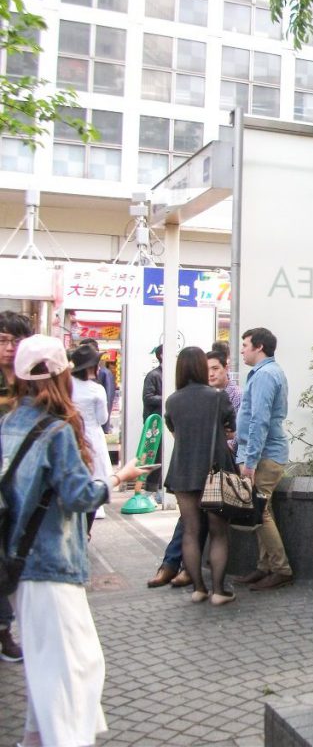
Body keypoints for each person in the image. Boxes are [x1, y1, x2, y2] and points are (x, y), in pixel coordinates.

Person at [1, 334, 145, 747]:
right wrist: (118, 477)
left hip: (16, 563)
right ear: (62, 373)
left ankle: (34, 738)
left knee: (48, 664)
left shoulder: (8, 423)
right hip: (50, 562)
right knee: (75, 668)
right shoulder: (57, 430)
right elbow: (78, 494)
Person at [147, 349, 239, 589]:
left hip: (183, 469)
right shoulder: (218, 397)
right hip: (214, 468)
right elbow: (231, 429)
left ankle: (198, 589)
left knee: (190, 531)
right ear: (200, 367)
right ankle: (218, 591)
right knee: (219, 533)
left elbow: (175, 431)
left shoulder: (172, 400)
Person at [234, 327, 293, 591]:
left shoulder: (265, 375)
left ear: (259, 347)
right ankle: (264, 566)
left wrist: (250, 463)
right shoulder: (265, 373)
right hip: (263, 452)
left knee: (261, 510)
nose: (242, 349)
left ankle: (281, 569)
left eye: (245, 344)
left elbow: (259, 421)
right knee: (258, 509)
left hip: (264, 454)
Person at [0, 310, 32, 664]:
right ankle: (4, 630)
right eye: (2, 340)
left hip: (24, 490)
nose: (9, 349)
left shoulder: (34, 386)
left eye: (15, 341)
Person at [70, 345, 114, 525]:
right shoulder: (96, 390)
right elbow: (102, 418)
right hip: (93, 437)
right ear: (90, 367)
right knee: (95, 477)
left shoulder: (66, 384)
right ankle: (88, 527)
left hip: (71, 433)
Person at [142, 344, 164, 498]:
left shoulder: (171, 374)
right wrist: (167, 397)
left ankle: (162, 489)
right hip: (156, 422)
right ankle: (151, 489)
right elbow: (148, 397)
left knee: (165, 454)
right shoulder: (154, 375)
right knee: (155, 454)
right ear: (161, 355)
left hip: (167, 420)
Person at [81, 338, 115, 433]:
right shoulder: (76, 376)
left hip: (96, 428)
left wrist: (105, 428)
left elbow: (108, 401)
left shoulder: (104, 374)